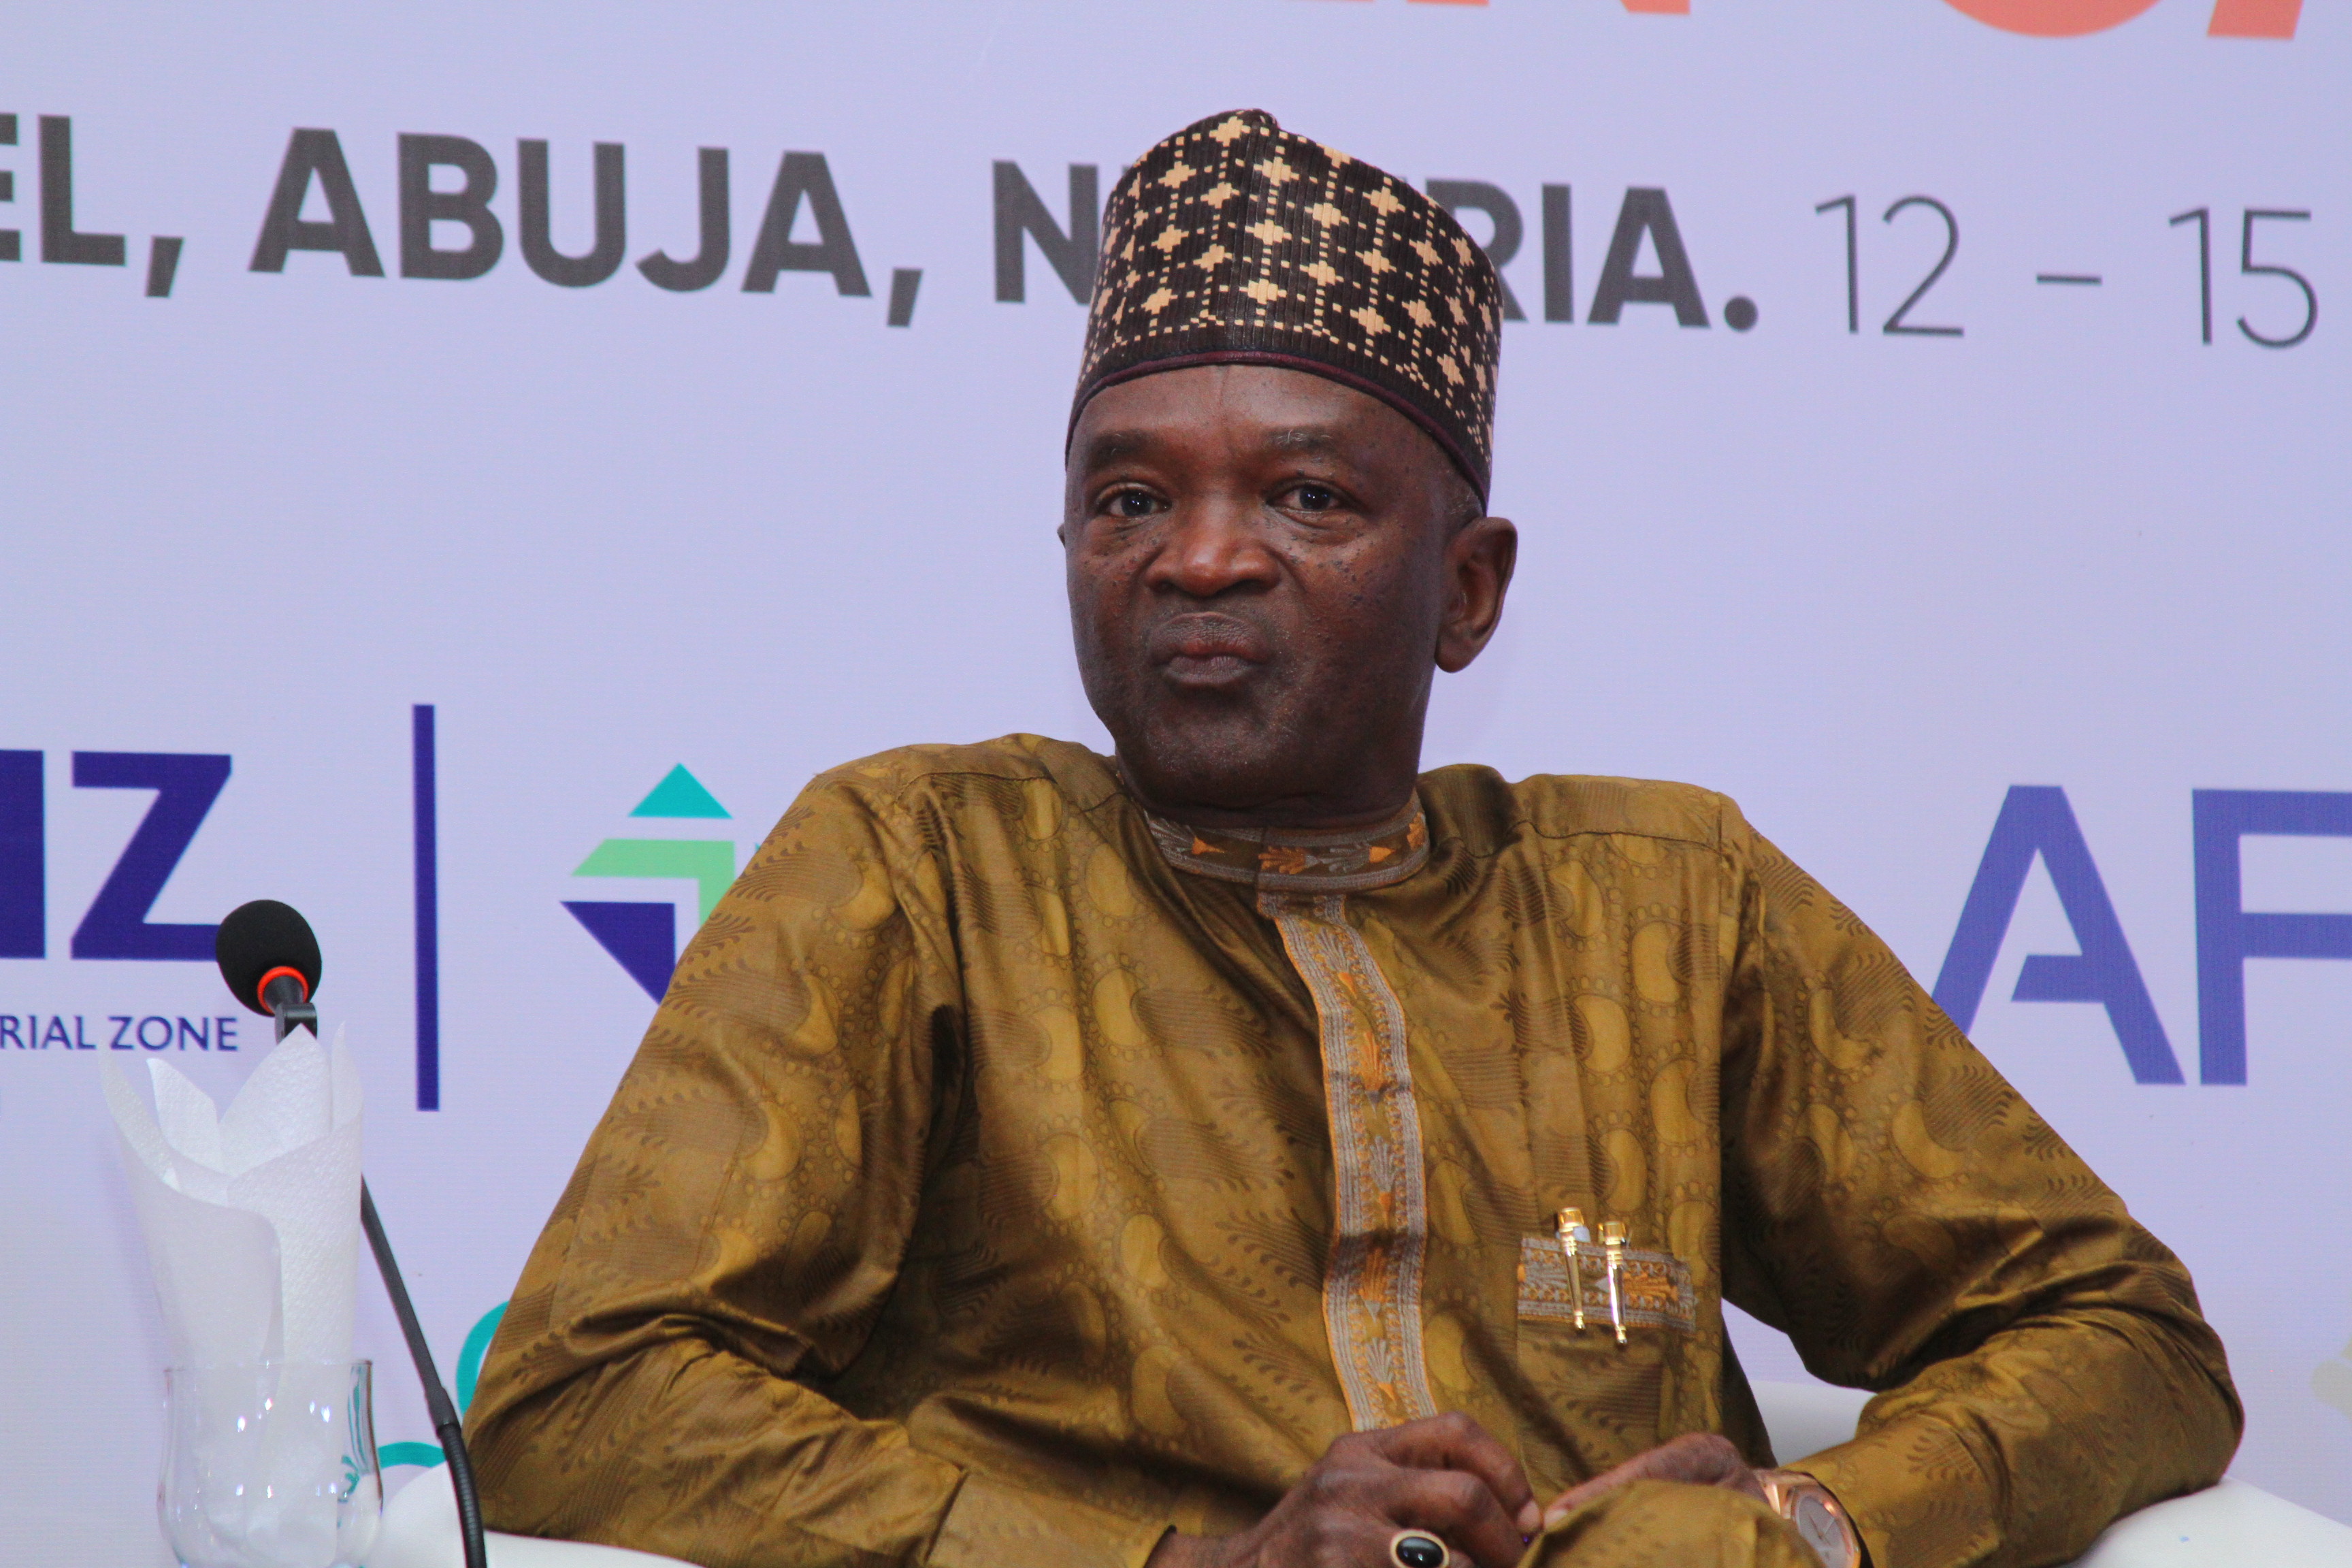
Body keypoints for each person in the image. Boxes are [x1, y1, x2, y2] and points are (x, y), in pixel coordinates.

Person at [469, 110, 2238, 1568]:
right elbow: (579, 1405)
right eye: (1130, 497)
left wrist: (1809, 1527)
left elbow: (2126, 1341)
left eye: (1306, 496)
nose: (1200, 558)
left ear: (1467, 591)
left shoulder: (1669, 907)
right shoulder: (923, 867)